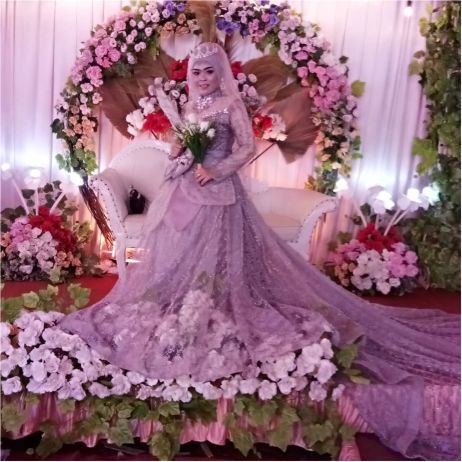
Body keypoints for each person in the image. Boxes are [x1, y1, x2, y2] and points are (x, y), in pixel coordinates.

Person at [60, 42, 460, 460]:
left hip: (218, 194)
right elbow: (182, 144)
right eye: (197, 72)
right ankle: (187, 304)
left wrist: (214, 169)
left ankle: (216, 305)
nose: (202, 78)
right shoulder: (191, 106)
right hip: (185, 191)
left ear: (220, 73)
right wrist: (180, 153)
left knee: (216, 257)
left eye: (209, 71)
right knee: (180, 254)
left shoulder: (231, 105)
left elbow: (245, 149)